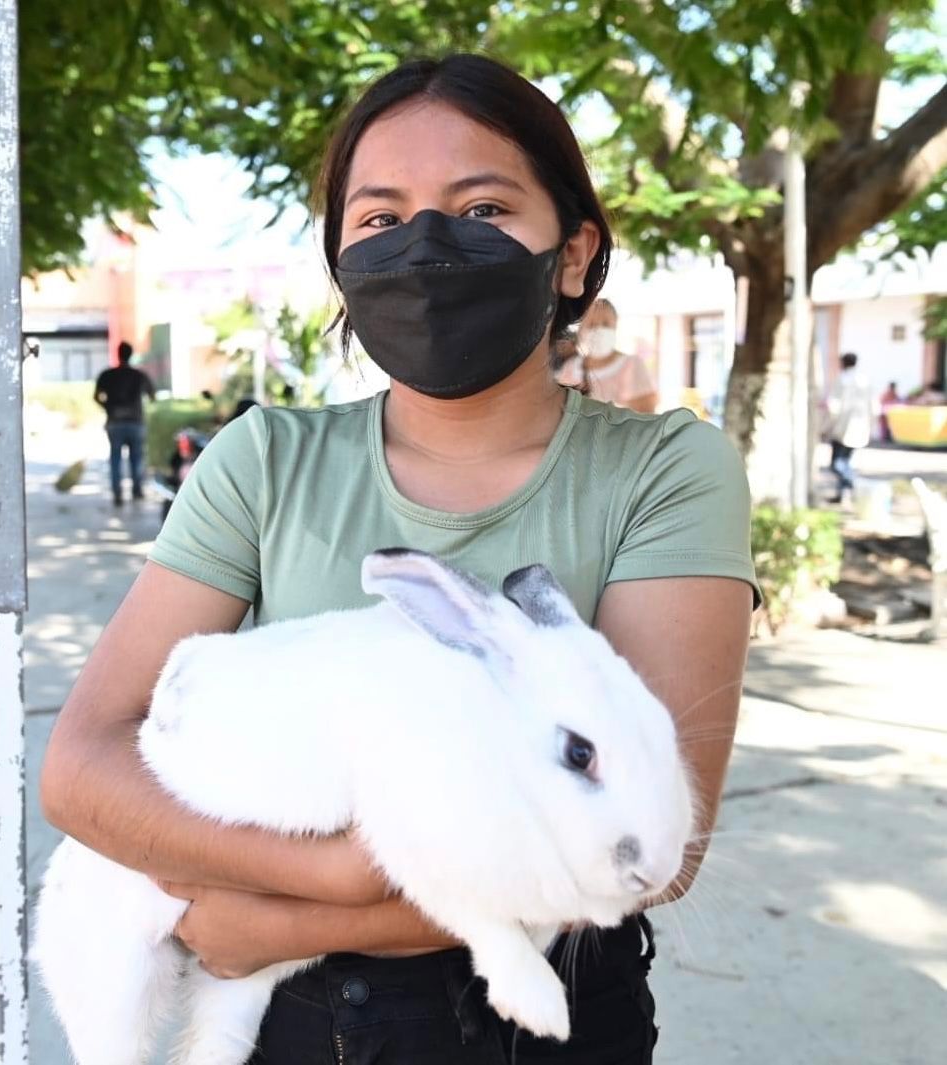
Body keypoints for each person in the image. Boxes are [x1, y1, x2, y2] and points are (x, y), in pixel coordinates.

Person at [42, 54, 757, 1065]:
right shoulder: (265, 462)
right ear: (341, 260)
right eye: (380, 217)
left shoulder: (664, 471)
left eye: (483, 208)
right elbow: (83, 767)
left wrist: (280, 918)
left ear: (572, 252)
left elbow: (649, 846)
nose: (426, 247)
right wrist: (333, 884)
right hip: (299, 1026)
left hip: (547, 1024)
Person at [554, 298, 658, 413]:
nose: (598, 330)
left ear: (615, 326)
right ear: (580, 329)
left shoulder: (632, 365)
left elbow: (646, 414)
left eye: (605, 324)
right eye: (592, 324)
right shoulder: (569, 369)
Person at [94, 341, 156, 506]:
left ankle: (117, 493)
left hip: (115, 422)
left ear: (118, 354)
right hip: (136, 422)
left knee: (115, 459)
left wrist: (108, 407)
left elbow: (96, 396)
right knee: (137, 458)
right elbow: (152, 396)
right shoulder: (139, 375)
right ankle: (137, 491)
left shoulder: (107, 375)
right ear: (131, 354)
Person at [826, 352, 875, 505]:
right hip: (858, 427)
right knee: (845, 461)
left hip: (842, 427)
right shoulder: (864, 380)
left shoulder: (842, 379)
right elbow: (873, 406)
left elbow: (833, 406)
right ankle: (843, 494)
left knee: (837, 464)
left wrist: (827, 426)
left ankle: (851, 484)